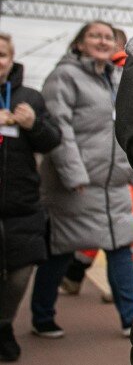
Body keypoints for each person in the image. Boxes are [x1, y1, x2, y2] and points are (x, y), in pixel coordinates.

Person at [31, 21, 133, 338]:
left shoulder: (119, 78)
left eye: (108, 36)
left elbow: (130, 126)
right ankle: (42, 316)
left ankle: (130, 319)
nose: (103, 40)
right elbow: (59, 127)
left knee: (121, 247)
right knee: (61, 250)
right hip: (76, 183)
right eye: (95, 35)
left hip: (114, 183)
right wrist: (72, 172)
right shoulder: (63, 77)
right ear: (79, 44)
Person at [0, 33, 61, 361]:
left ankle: (3, 323)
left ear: (10, 59)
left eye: (1, 55)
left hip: (20, 204)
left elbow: (52, 140)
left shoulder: (29, 98)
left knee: (19, 274)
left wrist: (33, 123)